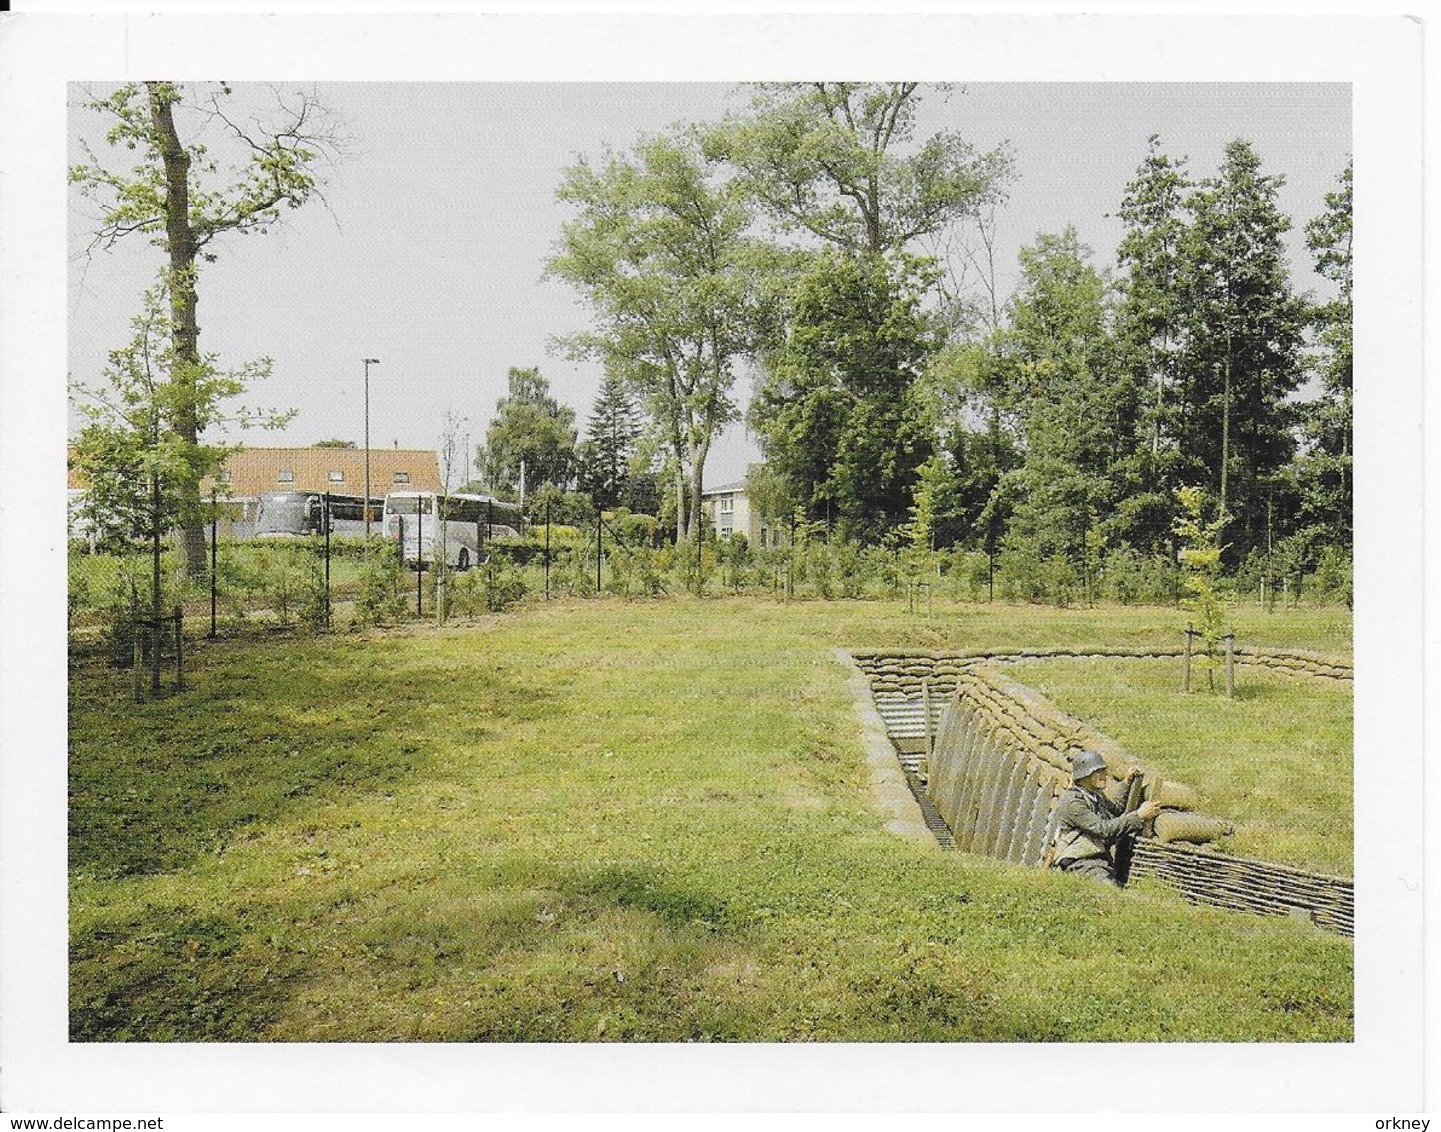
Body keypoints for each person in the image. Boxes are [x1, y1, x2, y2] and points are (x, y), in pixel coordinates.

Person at [1051, 750, 1163, 887]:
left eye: (1104, 770)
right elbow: (1103, 829)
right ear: (1085, 775)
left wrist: (1126, 782)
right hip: (1078, 861)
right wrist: (1139, 815)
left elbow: (1116, 808)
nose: (1105, 775)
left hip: (1096, 861)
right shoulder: (1073, 802)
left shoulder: (1095, 795)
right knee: (1109, 890)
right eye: (1099, 771)